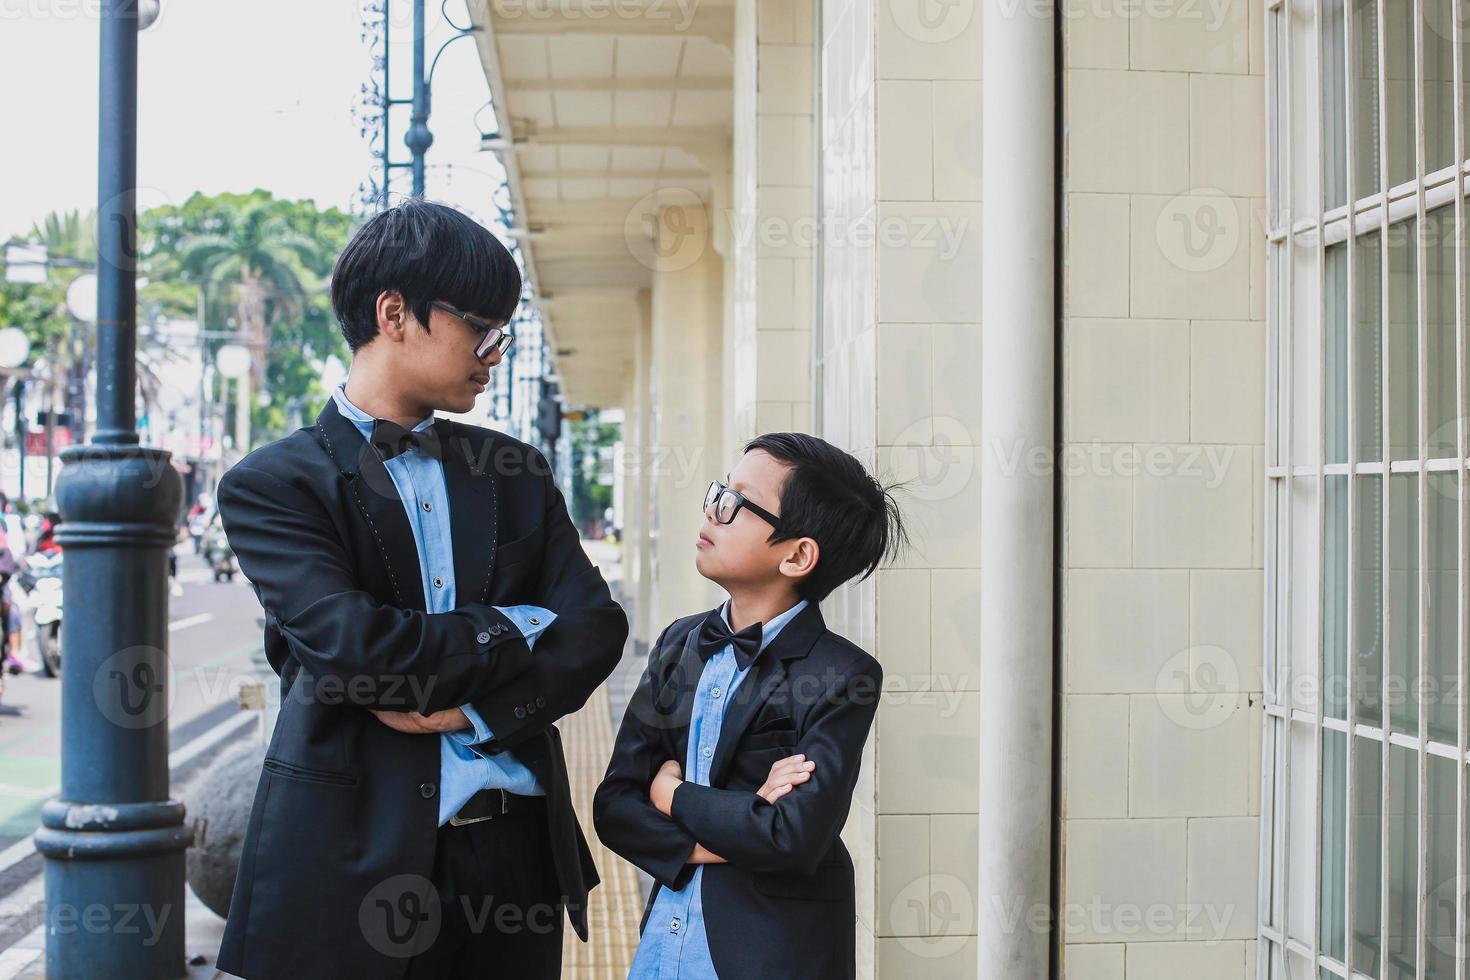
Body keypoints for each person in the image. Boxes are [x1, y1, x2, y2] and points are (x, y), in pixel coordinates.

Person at [214, 200, 628, 979]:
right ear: (395, 313)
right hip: (353, 857)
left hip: (517, 854)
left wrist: (479, 706)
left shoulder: (515, 473)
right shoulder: (274, 485)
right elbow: (359, 649)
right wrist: (518, 624)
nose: (494, 354)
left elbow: (596, 629)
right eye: (482, 329)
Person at [593, 433, 907, 979]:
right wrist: (740, 819)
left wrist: (671, 794)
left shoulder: (841, 675)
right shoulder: (679, 644)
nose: (712, 511)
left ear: (797, 555)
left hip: (769, 952)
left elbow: (791, 838)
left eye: (735, 502)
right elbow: (615, 807)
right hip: (664, 945)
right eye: (720, 491)